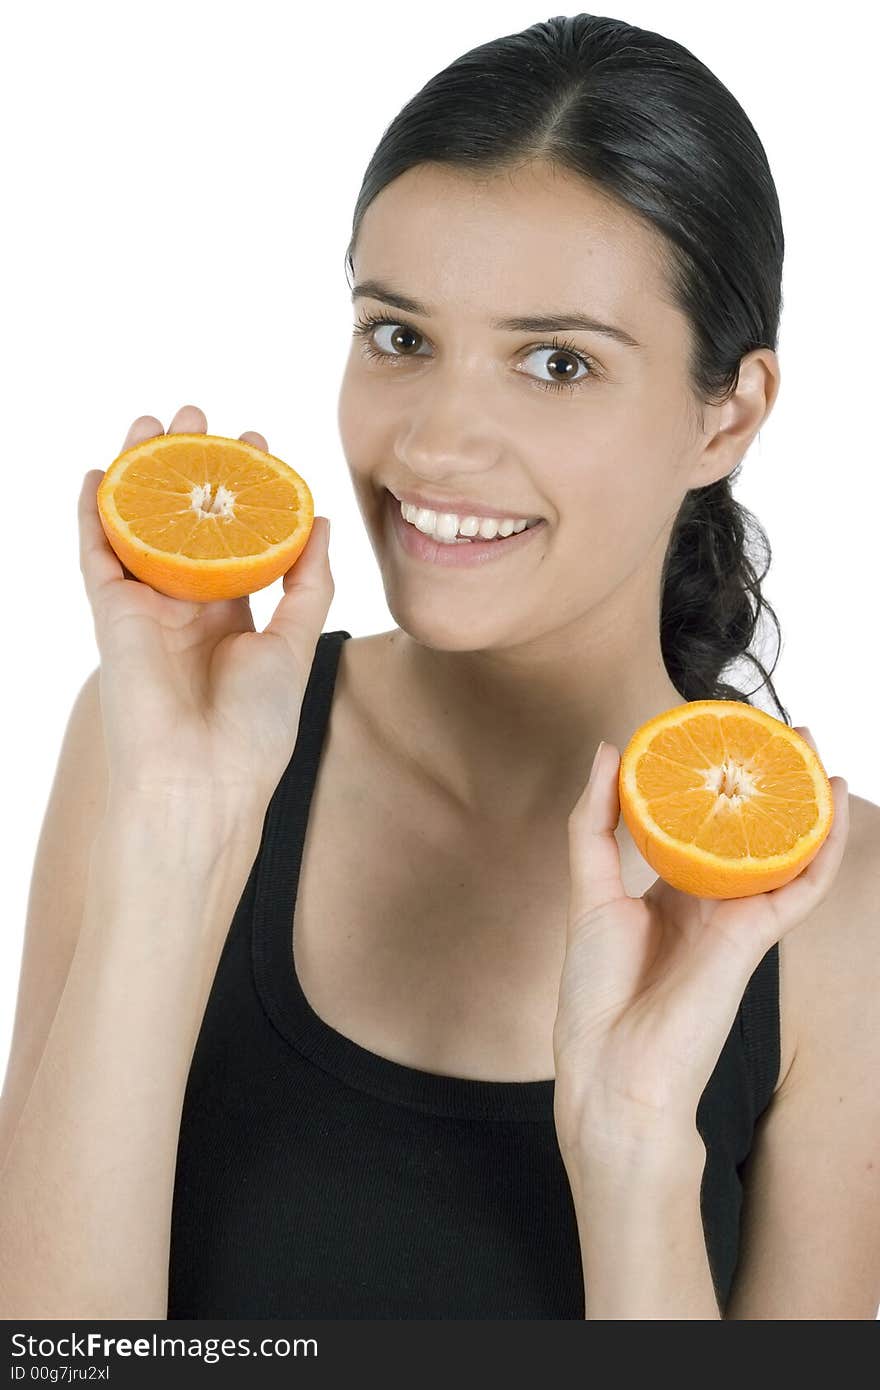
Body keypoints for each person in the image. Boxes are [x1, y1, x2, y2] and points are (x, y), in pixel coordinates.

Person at [1, 13, 878, 1322]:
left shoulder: (839, 913)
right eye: (401, 337)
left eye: (557, 361)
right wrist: (181, 832)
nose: (437, 443)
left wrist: (637, 1151)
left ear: (730, 411)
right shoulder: (159, 738)